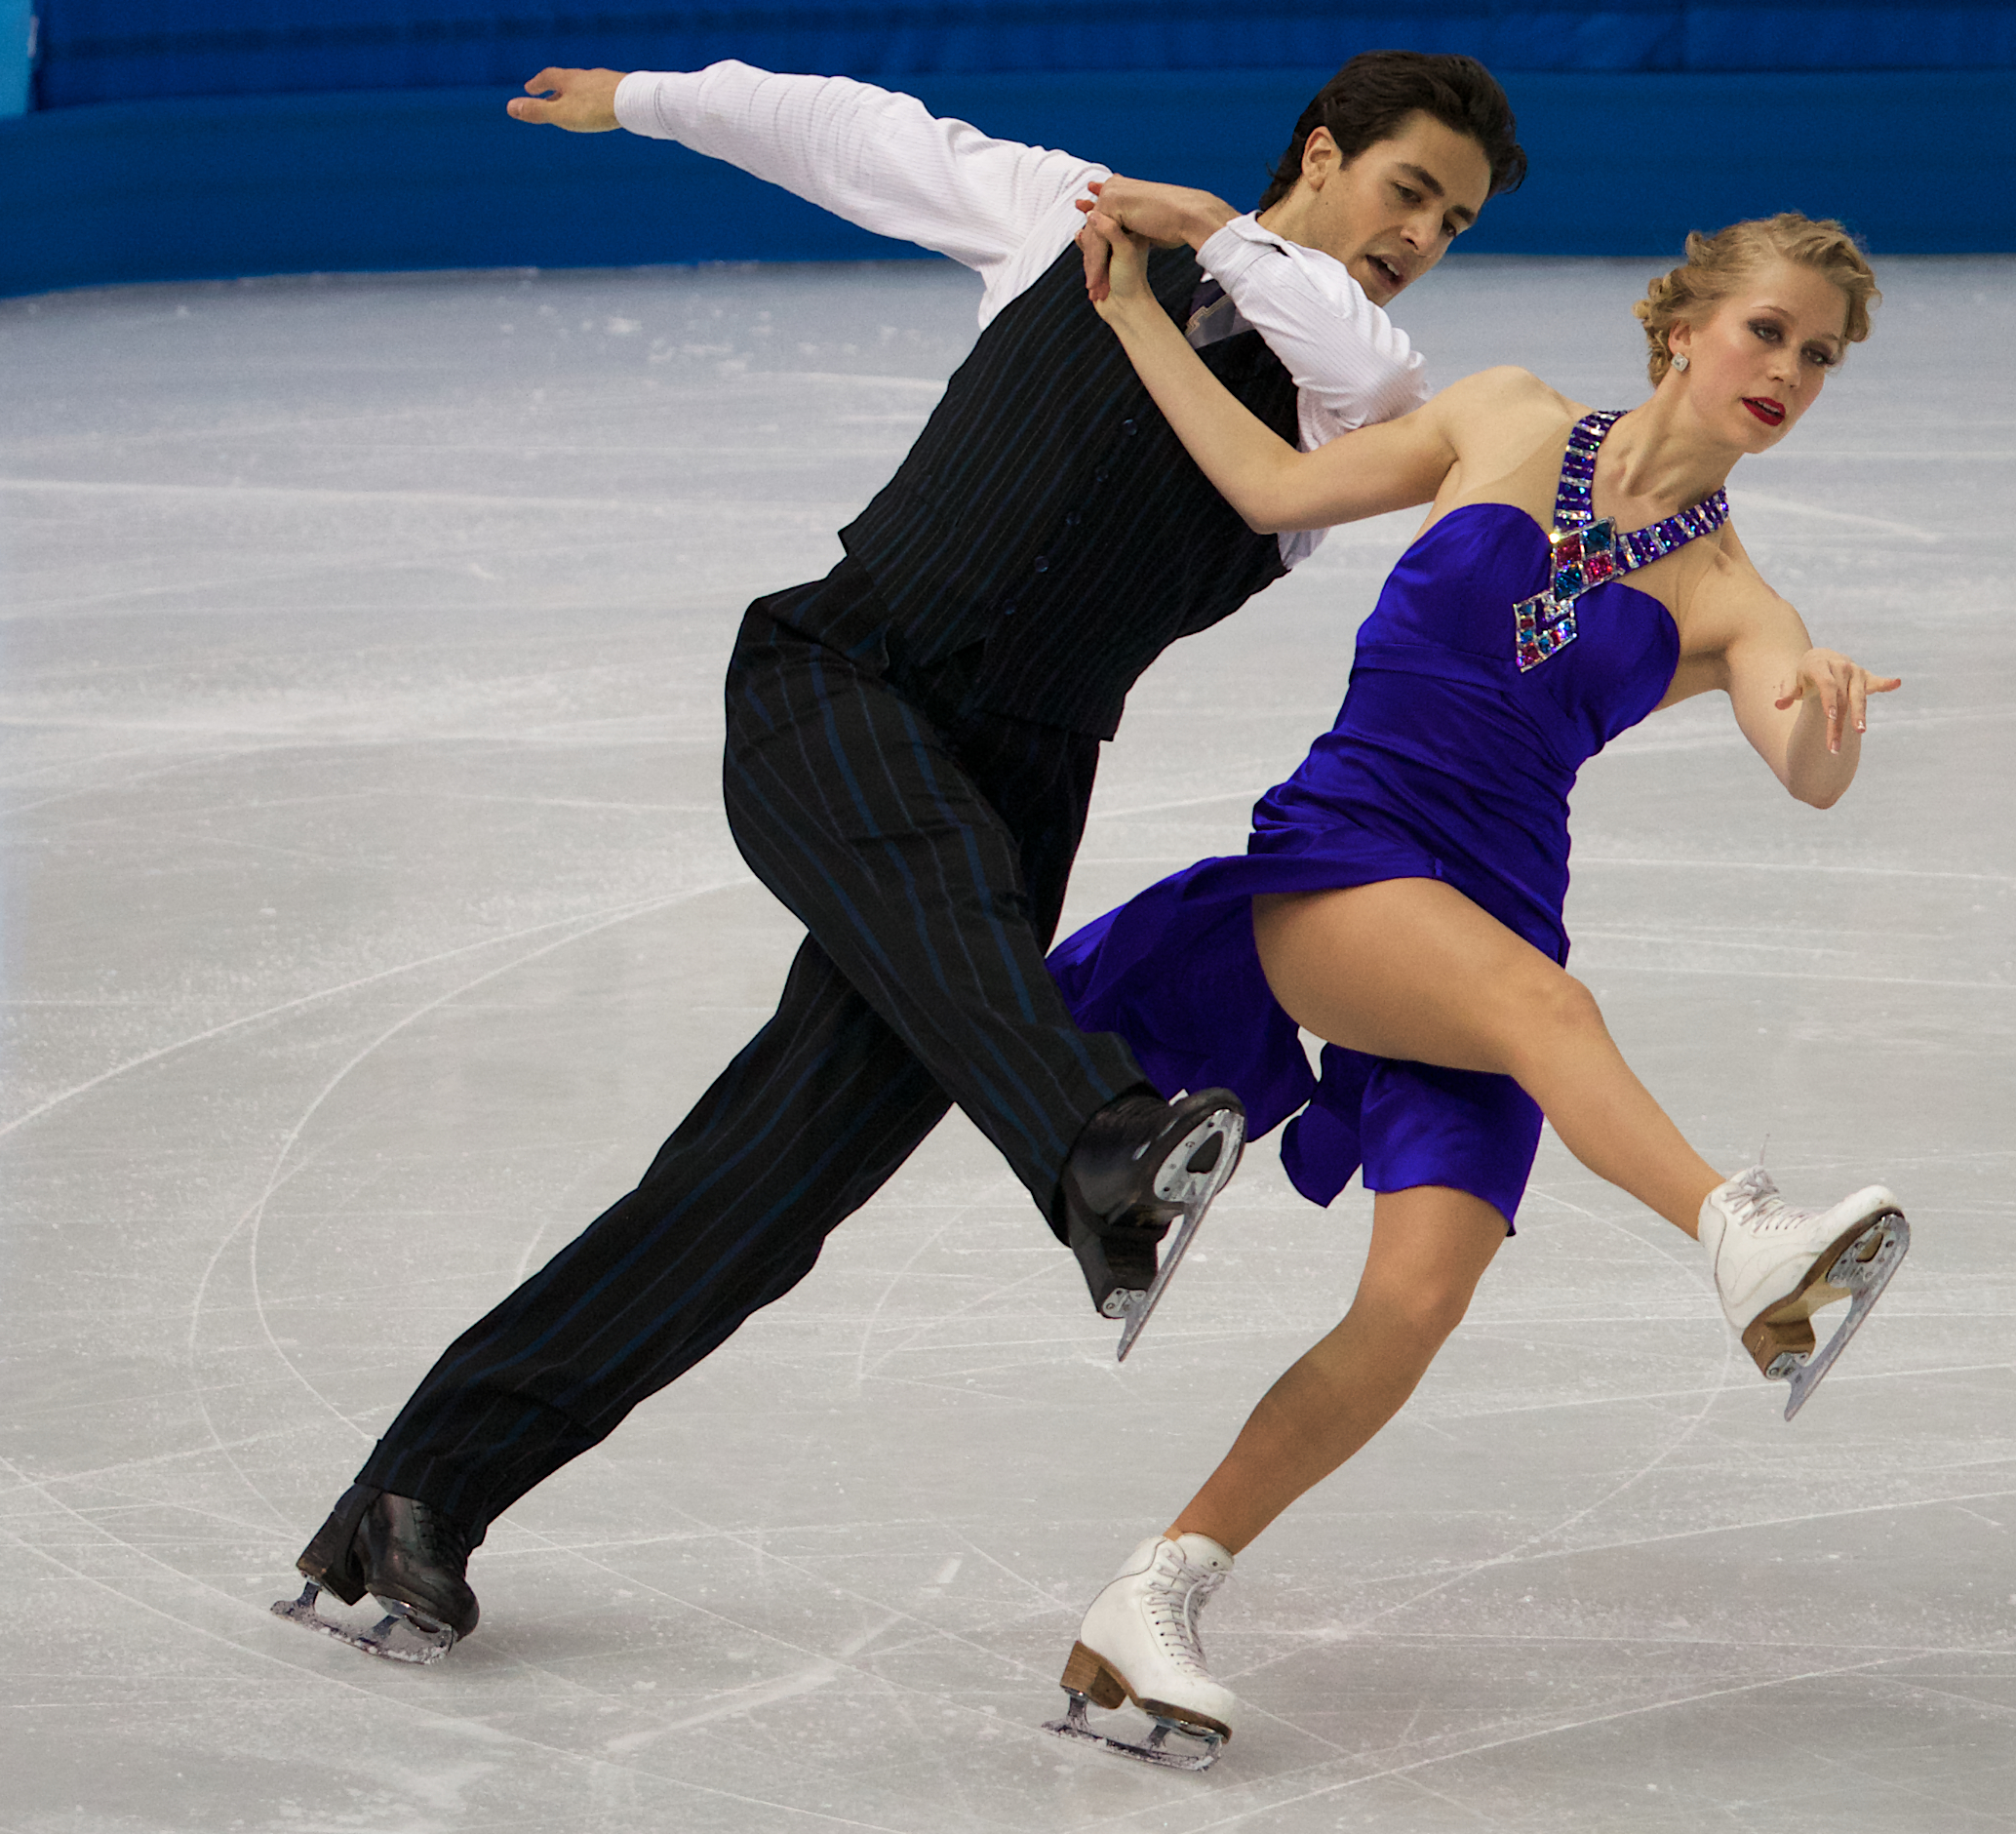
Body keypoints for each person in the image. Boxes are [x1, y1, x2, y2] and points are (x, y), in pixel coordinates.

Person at [273, 51, 1530, 1664]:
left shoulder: (1360, 387)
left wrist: (1214, 227)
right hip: (841, 681)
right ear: (1324, 152)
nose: (1419, 234)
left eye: (1454, 221)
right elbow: (863, 136)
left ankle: (417, 1497)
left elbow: (1342, 339)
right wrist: (650, 100)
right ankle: (1097, 1145)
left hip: (1023, 780)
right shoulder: (1063, 214)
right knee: (937, 900)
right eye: (1405, 190)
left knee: (773, 1179)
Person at [1037, 209, 1914, 1769]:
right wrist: (1133, 319)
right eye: (1766, 331)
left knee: (1413, 1302)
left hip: (1496, 923)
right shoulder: (1504, 414)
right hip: (1343, 859)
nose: (1787, 369)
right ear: (1682, 330)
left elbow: (1809, 771)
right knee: (1554, 1022)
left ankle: (1150, 1592)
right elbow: (1268, 487)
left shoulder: (1736, 600)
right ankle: (1742, 1241)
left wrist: (1832, 718)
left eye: (1819, 358)